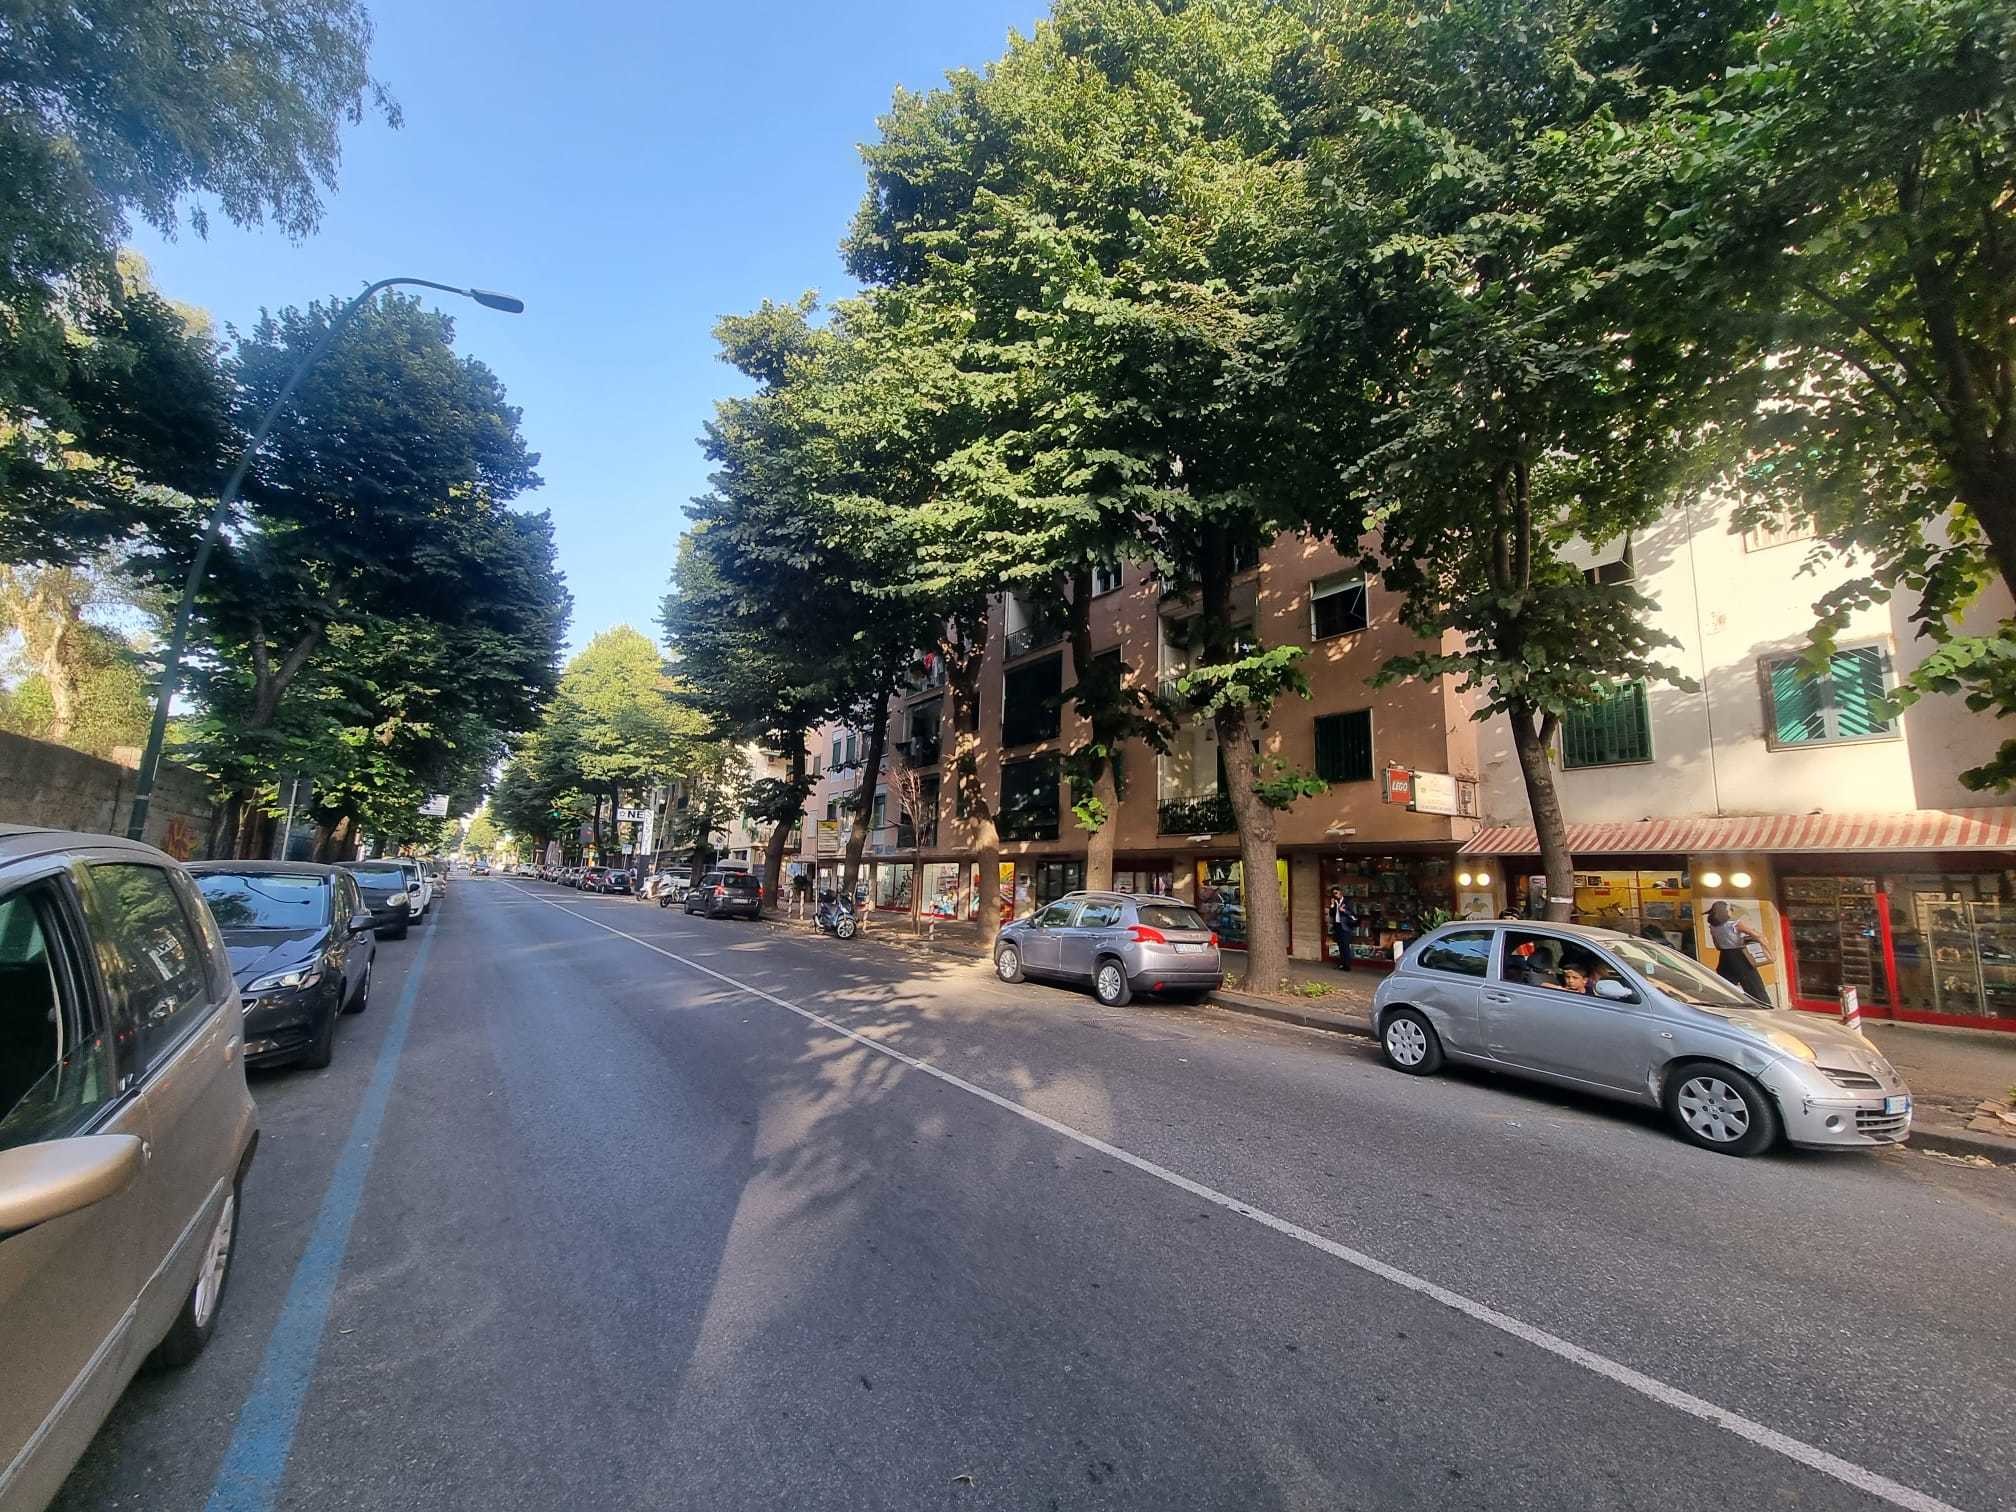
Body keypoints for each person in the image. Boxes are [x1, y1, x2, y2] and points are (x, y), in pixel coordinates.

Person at [1706, 900, 1769, 1002]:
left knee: (1727, 986)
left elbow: (1717, 945)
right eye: (1729, 910)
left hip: (1725, 956)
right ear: (1724, 912)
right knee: (1753, 984)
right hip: (1740, 955)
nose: (1731, 911)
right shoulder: (1734, 924)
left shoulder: (1713, 927)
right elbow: (1754, 934)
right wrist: (1763, 942)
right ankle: (1764, 1006)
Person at [1327, 889, 1359, 970]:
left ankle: (1347, 966)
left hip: (1345, 927)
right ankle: (1342, 964)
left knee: (1345, 946)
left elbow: (1353, 914)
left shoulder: (1347, 902)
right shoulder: (1335, 902)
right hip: (1337, 926)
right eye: (1333, 893)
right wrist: (1332, 905)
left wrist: (1344, 910)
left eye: (1336, 893)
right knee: (1340, 946)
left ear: (1340, 893)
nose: (1335, 895)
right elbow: (1331, 914)